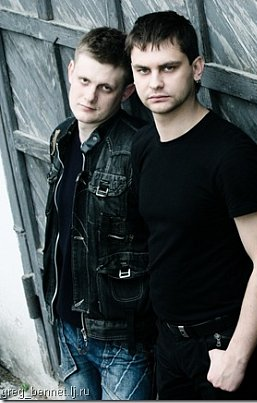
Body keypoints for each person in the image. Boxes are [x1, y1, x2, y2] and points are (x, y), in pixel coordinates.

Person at [125, 10, 257, 400]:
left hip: (224, 343)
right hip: (169, 344)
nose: (155, 82)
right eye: (143, 70)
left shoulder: (230, 155)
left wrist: (238, 355)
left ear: (196, 68)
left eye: (168, 67)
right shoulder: (143, 144)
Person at [42, 27, 154, 400]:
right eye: (85, 81)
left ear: (126, 92)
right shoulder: (62, 137)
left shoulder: (138, 147)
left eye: (105, 87)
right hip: (66, 327)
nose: (89, 96)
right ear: (71, 70)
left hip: (121, 341)